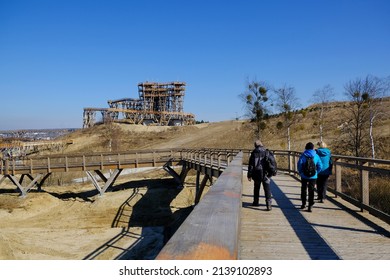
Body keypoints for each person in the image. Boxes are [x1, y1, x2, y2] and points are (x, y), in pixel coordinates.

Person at [247, 140, 276, 211]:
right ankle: (268, 204)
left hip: (256, 174)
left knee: (256, 188)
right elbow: (273, 162)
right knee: (267, 189)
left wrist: (249, 175)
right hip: (266, 174)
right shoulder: (267, 152)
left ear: (255, 146)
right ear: (261, 145)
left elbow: (251, 166)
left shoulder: (254, 153)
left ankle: (256, 202)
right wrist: (272, 172)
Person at [297, 142, 322, 212]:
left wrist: (301, 172)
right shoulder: (316, 155)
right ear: (313, 148)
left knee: (303, 189)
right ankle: (310, 205)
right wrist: (316, 172)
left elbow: (299, 165)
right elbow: (320, 166)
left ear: (306, 147)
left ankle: (303, 203)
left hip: (304, 175)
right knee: (311, 190)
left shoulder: (303, 155)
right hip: (313, 176)